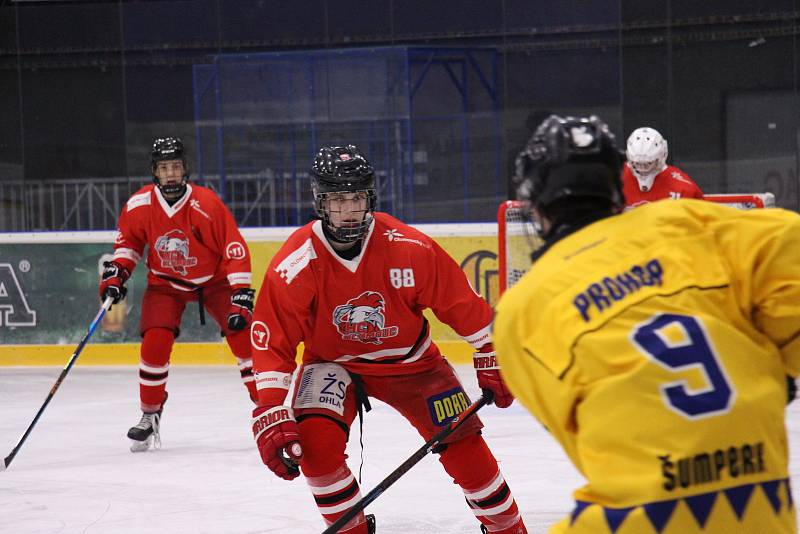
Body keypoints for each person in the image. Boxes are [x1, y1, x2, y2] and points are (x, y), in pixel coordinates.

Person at [494, 115, 799, 533]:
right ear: (618, 186)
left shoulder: (521, 309)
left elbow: (585, 443)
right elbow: (787, 245)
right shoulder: (685, 224)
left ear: (537, 204)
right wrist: (774, 362)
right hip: (760, 506)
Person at [249, 145, 528, 534]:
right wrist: (268, 408)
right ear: (320, 202)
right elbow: (273, 340)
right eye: (338, 199)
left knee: (467, 449)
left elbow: (461, 304)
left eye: (357, 197)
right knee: (315, 449)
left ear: (370, 198)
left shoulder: (409, 248)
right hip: (334, 365)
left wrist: (491, 349)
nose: (349, 209)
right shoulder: (296, 263)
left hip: (414, 365)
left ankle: (508, 529)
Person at [99, 137, 258, 452]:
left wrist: (240, 292)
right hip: (165, 284)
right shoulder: (139, 205)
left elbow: (233, 247)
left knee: (243, 338)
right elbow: (129, 245)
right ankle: (149, 413)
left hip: (213, 283)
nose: (170, 173)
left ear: (185, 169)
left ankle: (269, 405)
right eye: (164, 167)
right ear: (155, 172)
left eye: (175, 166)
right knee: (155, 342)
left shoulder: (207, 204)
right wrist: (118, 272)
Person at [623, 126, 703, 208]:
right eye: (637, 163)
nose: (642, 169)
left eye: (649, 163)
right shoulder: (614, 179)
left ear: (661, 156)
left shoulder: (684, 189)